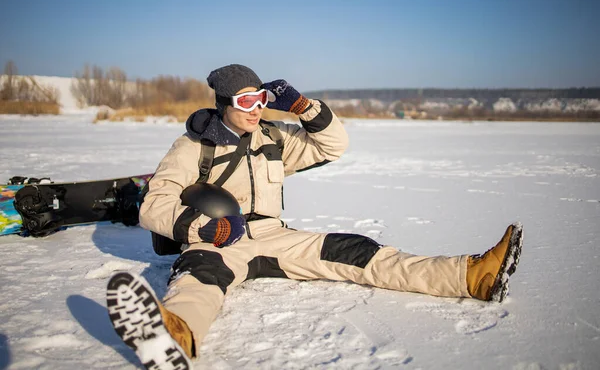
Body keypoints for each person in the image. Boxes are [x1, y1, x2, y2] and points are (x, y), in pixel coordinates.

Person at [106, 64, 523, 370]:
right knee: (200, 276)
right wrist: (204, 228)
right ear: (224, 104)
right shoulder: (191, 147)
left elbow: (333, 145)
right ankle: (175, 334)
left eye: (262, 100)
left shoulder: (272, 137)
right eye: (247, 102)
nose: (257, 110)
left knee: (356, 250)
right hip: (218, 240)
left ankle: (469, 276)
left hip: (273, 234)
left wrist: (304, 107)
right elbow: (153, 205)